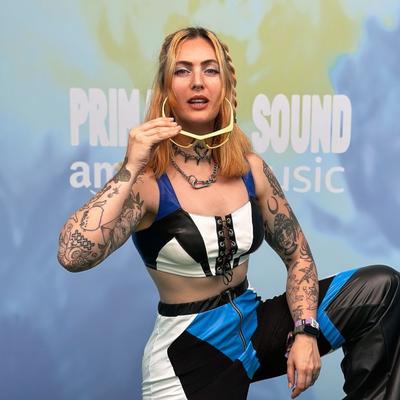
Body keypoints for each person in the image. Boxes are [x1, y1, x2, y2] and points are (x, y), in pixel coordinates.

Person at [57, 26, 400, 400]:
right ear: (166, 89)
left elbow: (299, 257)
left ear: (225, 86)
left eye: (210, 69)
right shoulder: (147, 184)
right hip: (190, 355)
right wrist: (130, 166)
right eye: (183, 70)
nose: (198, 81)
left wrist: (305, 330)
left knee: (380, 289)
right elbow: (73, 256)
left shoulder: (251, 169)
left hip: (253, 326)